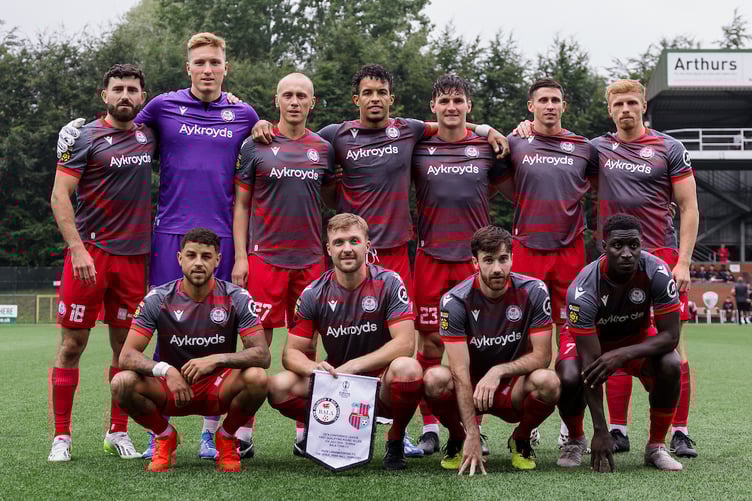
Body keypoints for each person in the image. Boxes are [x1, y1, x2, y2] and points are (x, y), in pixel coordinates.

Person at [58, 32, 261, 459]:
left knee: (219, 330)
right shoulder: (162, 106)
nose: (208, 69)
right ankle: (158, 427)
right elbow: (120, 120)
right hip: (168, 235)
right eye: (200, 62)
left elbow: (267, 149)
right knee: (165, 329)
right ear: (188, 67)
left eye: (215, 62)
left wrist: (264, 124)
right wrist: (77, 132)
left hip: (222, 235)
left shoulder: (244, 114)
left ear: (226, 67)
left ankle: (211, 432)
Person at [48, 64, 156, 462]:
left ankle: (118, 432)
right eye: (118, 89)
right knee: (72, 345)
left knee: (124, 350)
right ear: (104, 95)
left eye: (132, 89)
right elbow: (60, 196)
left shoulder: (150, 135)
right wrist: (77, 249)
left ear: (142, 97)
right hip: (89, 256)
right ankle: (62, 436)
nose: (125, 95)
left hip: (135, 259)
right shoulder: (84, 137)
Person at [266, 214, 424, 470]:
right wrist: (315, 369)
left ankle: (395, 438)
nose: (347, 249)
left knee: (409, 368)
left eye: (354, 240)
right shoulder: (314, 293)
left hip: (382, 382)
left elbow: (405, 344)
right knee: (277, 385)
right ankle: (333, 428)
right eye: (339, 242)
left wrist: (354, 366)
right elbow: (290, 354)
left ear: (367, 245)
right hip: (338, 383)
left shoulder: (389, 282)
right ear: (328, 249)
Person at [593, 80, 699, 458]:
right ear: (610, 110)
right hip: (614, 264)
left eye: (632, 102)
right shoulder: (597, 149)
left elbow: (688, 207)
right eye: (618, 103)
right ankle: (618, 429)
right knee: (618, 338)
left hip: (662, 257)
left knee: (676, 344)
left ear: (643, 107)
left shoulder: (670, 148)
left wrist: (684, 261)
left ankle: (680, 432)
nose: (625, 109)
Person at [111, 228, 270, 472]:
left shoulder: (237, 297)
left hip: (218, 389)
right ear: (179, 258)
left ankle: (226, 437)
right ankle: (165, 436)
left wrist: (217, 359)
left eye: (206, 256)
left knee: (258, 378)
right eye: (191, 255)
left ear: (218, 259)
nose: (198, 263)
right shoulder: (158, 298)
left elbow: (262, 354)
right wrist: (166, 370)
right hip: (172, 389)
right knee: (122, 383)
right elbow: (127, 356)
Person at [496, 78, 598, 448]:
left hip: (570, 252)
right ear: (530, 106)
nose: (550, 106)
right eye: (543, 100)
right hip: (527, 251)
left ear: (564, 106)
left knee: (573, 338)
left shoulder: (584, 148)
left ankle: (572, 429)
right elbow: (503, 185)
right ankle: (532, 416)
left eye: (556, 99)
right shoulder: (516, 142)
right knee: (528, 339)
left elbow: (605, 184)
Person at [409, 74, 507, 456]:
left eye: (458, 100)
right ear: (433, 107)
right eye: (444, 101)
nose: (452, 107)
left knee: (473, 346)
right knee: (430, 343)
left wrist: (488, 130)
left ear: (469, 106)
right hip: (431, 258)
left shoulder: (487, 147)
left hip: (472, 265)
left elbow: (507, 186)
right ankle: (432, 426)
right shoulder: (418, 147)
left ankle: (474, 428)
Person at [423, 225, 559, 473]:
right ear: (475, 262)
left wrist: (497, 371)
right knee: (434, 379)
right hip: (470, 388)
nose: (497, 268)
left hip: (512, 387)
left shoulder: (534, 291)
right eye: (488, 260)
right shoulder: (454, 301)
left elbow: (543, 356)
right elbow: (459, 371)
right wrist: (472, 434)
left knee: (549, 381)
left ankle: (521, 437)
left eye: (503, 259)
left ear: (512, 259)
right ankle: (458, 436)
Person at [558, 214, 683, 472]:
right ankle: (576, 439)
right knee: (569, 375)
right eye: (618, 246)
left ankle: (656, 446)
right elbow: (591, 367)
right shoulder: (583, 289)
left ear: (641, 245)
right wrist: (601, 431)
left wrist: (621, 354)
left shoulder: (657, 271)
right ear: (604, 247)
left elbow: (671, 336)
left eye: (633, 245)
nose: (627, 253)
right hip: (591, 341)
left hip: (633, 337)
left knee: (671, 363)